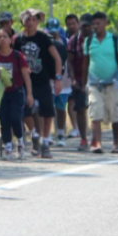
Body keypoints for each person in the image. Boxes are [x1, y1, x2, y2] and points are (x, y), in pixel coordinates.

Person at [14, 9, 62, 158]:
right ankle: (34, 133)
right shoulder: (18, 40)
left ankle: (45, 142)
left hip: (42, 80)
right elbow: (14, 59)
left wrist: (58, 78)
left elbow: (57, 58)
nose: (31, 23)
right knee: (25, 111)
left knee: (48, 112)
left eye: (34, 20)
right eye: (28, 20)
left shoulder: (44, 38)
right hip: (24, 81)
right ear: (23, 21)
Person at [83, 12, 118, 154]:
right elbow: (85, 63)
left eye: (98, 23)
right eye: (93, 24)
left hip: (113, 82)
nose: (96, 26)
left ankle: (116, 144)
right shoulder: (88, 41)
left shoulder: (114, 40)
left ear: (105, 23)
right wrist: (84, 82)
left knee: (115, 114)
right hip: (94, 84)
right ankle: (97, 143)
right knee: (95, 113)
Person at [0, 27, 33, 158]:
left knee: (15, 117)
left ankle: (20, 141)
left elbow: (26, 75)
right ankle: (8, 145)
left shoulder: (17, 55)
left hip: (16, 91)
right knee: (4, 119)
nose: (2, 39)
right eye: (0, 37)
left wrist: (29, 94)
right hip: (1, 93)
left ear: (10, 40)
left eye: (5, 37)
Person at [67, 14, 93, 149]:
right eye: (84, 26)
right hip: (79, 79)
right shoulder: (74, 40)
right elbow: (69, 61)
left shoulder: (98, 40)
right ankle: (84, 139)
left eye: (89, 25)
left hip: (95, 78)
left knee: (96, 109)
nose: (86, 28)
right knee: (81, 108)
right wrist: (72, 78)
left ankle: (96, 137)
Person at [46, 18, 72, 146]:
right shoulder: (43, 43)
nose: (53, 34)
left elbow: (69, 61)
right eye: (50, 32)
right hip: (47, 80)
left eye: (54, 32)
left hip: (63, 80)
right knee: (48, 108)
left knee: (61, 108)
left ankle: (61, 134)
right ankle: (48, 134)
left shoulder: (65, 42)